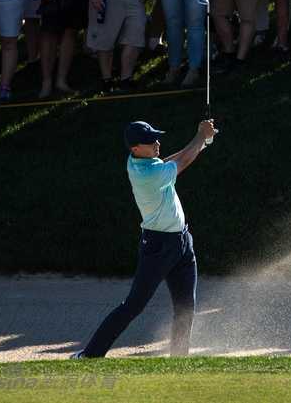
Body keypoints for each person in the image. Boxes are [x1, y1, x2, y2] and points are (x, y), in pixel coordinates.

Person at [73, 118, 218, 359]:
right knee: (133, 305)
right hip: (159, 246)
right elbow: (181, 162)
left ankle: (178, 359)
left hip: (182, 241)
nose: (157, 143)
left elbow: (174, 160)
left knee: (185, 308)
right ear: (135, 148)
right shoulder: (146, 174)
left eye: (156, 138)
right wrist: (201, 136)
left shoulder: (147, 162)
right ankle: (90, 354)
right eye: (150, 141)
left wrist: (204, 141)